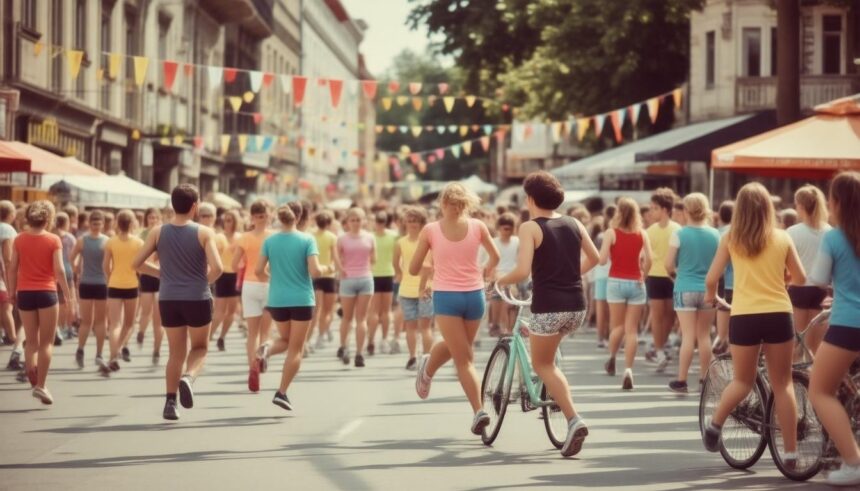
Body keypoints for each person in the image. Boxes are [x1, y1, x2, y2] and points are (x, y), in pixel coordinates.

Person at [702, 182, 804, 467]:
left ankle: (715, 424)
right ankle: (792, 453)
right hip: (778, 313)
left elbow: (711, 279)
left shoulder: (732, 237)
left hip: (744, 315)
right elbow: (801, 277)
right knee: (782, 383)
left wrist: (713, 297)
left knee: (742, 380)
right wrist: (780, 281)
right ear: (769, 208)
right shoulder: (782, 237)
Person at [498, 171, 599, 456]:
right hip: (576, 306)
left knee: (543, 365)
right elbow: (595, 258)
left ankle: (573, 419)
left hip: (549, 305)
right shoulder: (575, 222)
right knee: (549, 354)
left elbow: (521, 271)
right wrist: (567, 274)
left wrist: (497, 281)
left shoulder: (530, 227)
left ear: (530, 199)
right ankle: (554, 396)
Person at [410, 182, 500, 436]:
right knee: (465, 356)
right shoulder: (478, 226)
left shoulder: (430, 230)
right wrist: (486, 273)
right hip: (474, 295)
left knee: (459, 352)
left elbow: (414, 269)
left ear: (442, 203)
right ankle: (479, 411)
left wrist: (429, 263)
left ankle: (427, 370)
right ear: (466, 204)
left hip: (449, 296)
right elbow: (495, 257)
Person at [133, 184, 223, 420]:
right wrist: (204, 282)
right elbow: (218, 268)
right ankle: (188, 377)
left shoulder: (157, 231)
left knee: (175, 352)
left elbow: (137, 264)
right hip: (197, 297)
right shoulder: (204, 232)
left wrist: (163, 274)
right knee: (200, 347)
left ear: (173, 205)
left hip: (169, 298)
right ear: (195, 207)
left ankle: (170, 403)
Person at [808, 171, 860, 487]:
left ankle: (853, 462)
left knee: (819, 390)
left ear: (837, 202)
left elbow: (817, 278)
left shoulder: (833, 237)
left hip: (847, 324)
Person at [255, 204, 333, 410]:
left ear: (280, 219)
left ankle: (266, 349)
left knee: (285, 340)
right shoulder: (307, 239)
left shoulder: (270, 241)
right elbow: (315, 272)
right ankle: (282, 392)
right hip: (301, 299)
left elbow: (258, 270)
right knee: (295, 348)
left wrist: (276, 278)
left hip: (277, 300)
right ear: (297, 218)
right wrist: (328, 268)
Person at [8, 201, 74, 404]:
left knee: (31, 341)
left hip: (25, 293)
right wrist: (68, 295)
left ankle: (32, 378)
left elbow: (12, 267)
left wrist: (12, 292)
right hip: (47, 293)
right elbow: (60, 270)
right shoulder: (54, 239)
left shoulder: (19, 239)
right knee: (46, 342)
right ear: (49, 219)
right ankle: (41, 385)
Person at [665, 193, 720, 393]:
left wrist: (676, 274)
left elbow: (668, 264)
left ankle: (682, 379)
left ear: (686, 211)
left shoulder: (679, 234)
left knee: (688, 336)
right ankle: (704, 378)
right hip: (707, 289)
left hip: (685, 287)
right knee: (704, 336)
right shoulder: (716, 234)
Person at [600, 197, 652, 390]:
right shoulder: (642, 233)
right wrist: (642, 276)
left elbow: (603, 260)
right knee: (632, 330)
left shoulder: (611, 233)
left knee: (617, 327)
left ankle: (612, 357)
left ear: (618, 212)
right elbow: (650, 259)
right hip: (636, 283)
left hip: (616, 282)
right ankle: (628, 369)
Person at [233, 200, 273, 392]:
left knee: (252, 333)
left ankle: (252, 366)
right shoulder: (274, 237)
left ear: (252, 217)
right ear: (269, 216)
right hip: (269, 284)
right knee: (266, 331)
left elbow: (234, 265)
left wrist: (245, 265)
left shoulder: (244, 237)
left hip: (249, 285)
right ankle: (262, 356)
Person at [786, 185, 831, 354]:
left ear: (800, 206)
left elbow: (786, 265)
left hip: (798, 288)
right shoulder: (829, 231)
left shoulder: (792, 232)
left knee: (797, 343)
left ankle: (796, 379)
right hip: (822, 290)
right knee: (816, 346)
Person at [394, 206, 433, 370]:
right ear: (405, 223)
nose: (412, 224)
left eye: (415, 221)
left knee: (425, 327)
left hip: (426, 290)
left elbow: (434, 264)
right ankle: (412, 357)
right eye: (409, 221)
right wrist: (401, 275)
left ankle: (426, 358)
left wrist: (430, 280)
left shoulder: (428, 242)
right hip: (406, 290)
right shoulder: (400, 243)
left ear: (422, 222)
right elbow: (395, 263)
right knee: (410, 326)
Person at [645, 188, 680, 373]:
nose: (652, 212)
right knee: (658, 316)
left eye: (655, 208)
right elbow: (645, 257)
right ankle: (659, 352)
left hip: (673, 277)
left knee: (670, 316)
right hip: (655, 276)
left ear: (665, 209)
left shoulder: (678, 229)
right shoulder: (649, 231)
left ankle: (662, 345)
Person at [104, 210, 144, 371]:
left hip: (114, 284)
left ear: (117, 223)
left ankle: (113, 355)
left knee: (115, 325)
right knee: (129, 324)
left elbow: (105, 266)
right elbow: (141, 265)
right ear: (133, 223)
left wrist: (110, 279)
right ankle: (117, 352)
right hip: (131, 285)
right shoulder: (138, 243)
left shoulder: (111, 242)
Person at [70, 210, 109, 373]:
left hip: (88, 282)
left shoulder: (82, 240)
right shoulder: (107, 241)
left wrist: (77, 269)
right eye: (94, 224)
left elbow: (71, 258)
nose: (96, 226)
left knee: (89, 321)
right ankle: (97, 353)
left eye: (98, 224)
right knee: (96, 321)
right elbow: (109, 265)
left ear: (102, 224)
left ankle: (85, 350)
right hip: (99, 282)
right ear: (91, 224)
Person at [336, 207, 375, 367]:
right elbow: (374, 258)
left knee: (349, 318)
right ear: (347, 222)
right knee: (358, 319)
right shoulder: (369, 237)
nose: (356, 223)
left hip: (352, 278)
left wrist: (342, 269)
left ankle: (348, 348)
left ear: (364, 221)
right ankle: (357, 352)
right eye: (353, 220)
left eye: (358, 220)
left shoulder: (342, 238)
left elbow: (337, 257)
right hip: (362, 277)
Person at [367, 211, 397, 355]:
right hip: (388, 273)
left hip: (373, 274)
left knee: (374, 311)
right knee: (387, 311)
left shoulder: (369, 236)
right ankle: (384, 340)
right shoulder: (393, 236)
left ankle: (371, 340)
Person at [211, 209, 242, 351]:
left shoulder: (240, 237)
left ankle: (222, 337)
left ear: (236, 222)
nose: (227, 223)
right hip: (222, 275)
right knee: (220, 311)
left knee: (232, 310)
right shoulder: (219, 237)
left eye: (230, 220)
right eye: (226, 220)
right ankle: (208, 335)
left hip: (236, 275)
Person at [136, 207, 164, 364]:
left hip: (161, 276)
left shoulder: (164, 233)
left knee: (158, 319)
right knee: (145, 312)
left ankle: (156, 350)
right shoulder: (141, 235)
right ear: (146, 219)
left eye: (156, 217)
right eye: (150, 217)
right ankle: (141, 331)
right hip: (147, 275)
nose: (153, 220)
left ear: (160, 219)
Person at [310, 210, 339, 350]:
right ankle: (321, 335)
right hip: (329, 276)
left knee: (316, 310)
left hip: (315, 275)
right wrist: (337, 269)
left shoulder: (310, 236)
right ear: (329, 223)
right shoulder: (332, 237)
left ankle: (310, 339)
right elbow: (335, 258)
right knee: (327, 311)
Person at [489, 213, 520, 337]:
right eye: (505, 228)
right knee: (498, 304)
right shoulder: (494, 242)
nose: (507, 231)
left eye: (510, 228)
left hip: (513, 276)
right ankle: (499, 326)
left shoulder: (517, 241)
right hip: (497, 277)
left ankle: (509, 330)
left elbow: (520, 259)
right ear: (499, 228)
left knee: (510, 305)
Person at [1, 201, 21, 369]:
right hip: (3, 276)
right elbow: (8, 258)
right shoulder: (8, 230)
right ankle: (15, 340)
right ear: (11, 214)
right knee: (8, 308)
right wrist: (10, 282)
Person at [593, 205, 615, 349]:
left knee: (601, 307)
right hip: (614, 274)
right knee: (613, 309)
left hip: (600, 273)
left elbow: (596, 256)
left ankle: (601, 338)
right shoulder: (617, 234)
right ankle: (610, 337)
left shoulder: (601, 236)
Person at [714, 201, 735, 355]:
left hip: (723, 280)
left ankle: (722, 342)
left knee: (722, 328)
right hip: (740, 283)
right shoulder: (740, 231)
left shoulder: (719, 233)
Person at [54, 212, 77, 342]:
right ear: (66, 223)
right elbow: (74, 258)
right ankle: (67, 328)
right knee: (69, 300)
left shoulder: (51, 236)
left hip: (53, 272)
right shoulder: (70, 238)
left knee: (56, 302)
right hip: (67, 271)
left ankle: (57, 328)